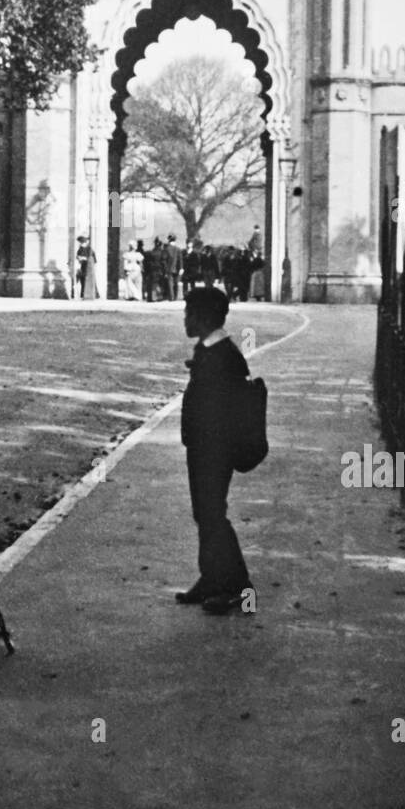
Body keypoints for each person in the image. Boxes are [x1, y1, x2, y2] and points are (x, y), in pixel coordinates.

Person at [176, 286, 253, 614]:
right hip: (204, 449)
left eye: (189, 313)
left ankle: (240, 588)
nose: (185, 319)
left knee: (212, 515)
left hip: (214, 450)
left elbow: (225, 408)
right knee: (205, 514)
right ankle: (211, 577)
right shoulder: (213, 350)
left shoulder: (223, 356)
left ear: (205, 317)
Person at [75, 235, 98, 300]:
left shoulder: (90, 249)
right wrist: (79, 258)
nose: (81, 244)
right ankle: (83, 295)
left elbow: (93, 259)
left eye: (82, 242)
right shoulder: (80, 249)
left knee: (89, 280)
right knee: (82, 281)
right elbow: (78, 257)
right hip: (82, 267)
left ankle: (92, 295)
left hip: (88, 267)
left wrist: (84, 258)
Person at [162, 233, 182, 301]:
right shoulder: (178, 249)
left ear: (169, 240)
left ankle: (171, 297)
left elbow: (164, 260)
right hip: (177, 268)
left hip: (169, 269)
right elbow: (180, 259)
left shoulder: (166, 249)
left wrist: (165, 269)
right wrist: (181, 268)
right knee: (176, 283)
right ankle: (175, 297)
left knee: (170, 283)